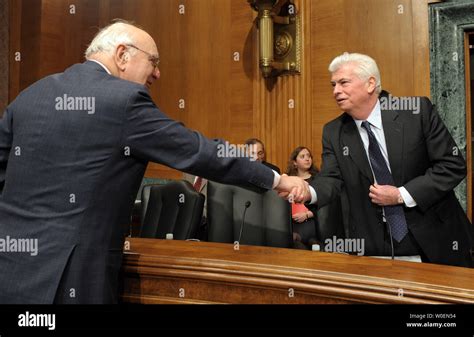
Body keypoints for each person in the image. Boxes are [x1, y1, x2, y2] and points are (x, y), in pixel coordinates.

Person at [0, 20, 308, 304]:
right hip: (75, 277)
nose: (158, 73)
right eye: (154, 61)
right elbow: (202, 152)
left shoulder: (29, 96)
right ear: (122, 54)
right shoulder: (123, 101)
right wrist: (277, 179)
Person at [305, 52, 473, 267]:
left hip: (436, 237)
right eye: (333, 85)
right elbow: (331, 179)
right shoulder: (333, 131)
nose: (336, 91)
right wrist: (307, 191)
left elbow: (452, 165)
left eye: (343, 82)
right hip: (375, 246)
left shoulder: (416, 112)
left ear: (370, 84)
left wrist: (401, 195)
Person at [286, 147, 319, 248]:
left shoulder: (318, 179)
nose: (307, 159)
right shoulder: (288, 180)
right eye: (302, 156)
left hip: (313, 222)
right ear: (295, 163)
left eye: (309, 156)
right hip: (293, 225)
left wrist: (307, 214)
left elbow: (325, 205)